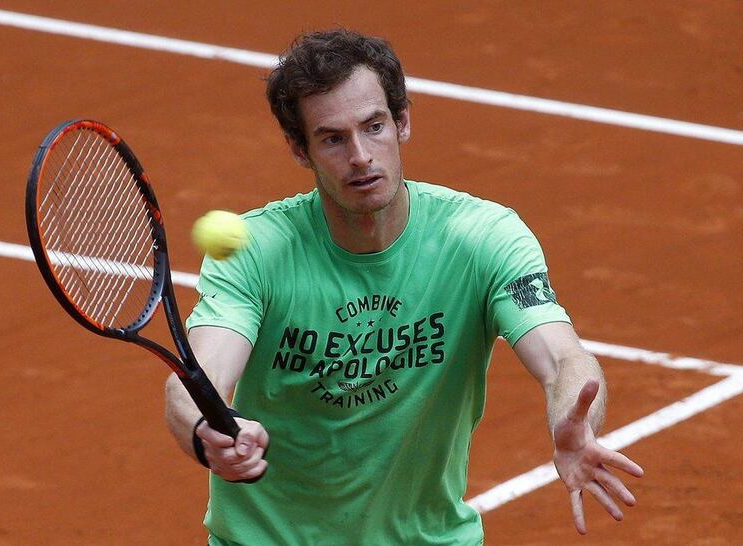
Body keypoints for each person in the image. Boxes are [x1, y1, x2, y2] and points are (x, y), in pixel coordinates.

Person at [165, 28, 643, 545]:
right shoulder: (257, 250)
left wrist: (572, 421)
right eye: (332, 138)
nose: (361, 156)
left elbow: (562, 358)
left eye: (374, 127)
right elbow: (198, 378)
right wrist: (208, 430)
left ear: (403, 122)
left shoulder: (482, 237)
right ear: (300, 150)